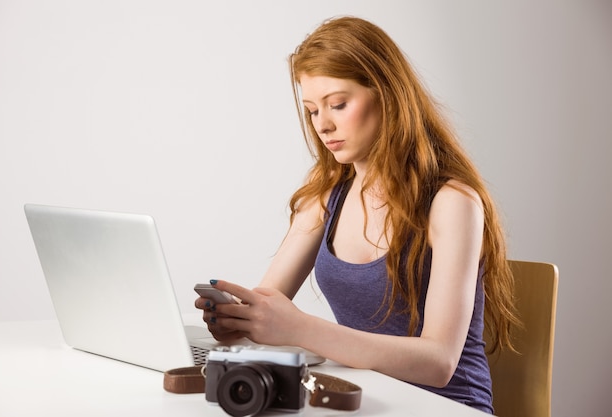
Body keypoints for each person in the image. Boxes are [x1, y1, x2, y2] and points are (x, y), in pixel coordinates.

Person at [194, 16, 519, 413]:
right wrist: (240, 323)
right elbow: (268, 303)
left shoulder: (452, 202)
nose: (323, 125)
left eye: (338, 104)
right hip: (367, 401)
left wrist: (299, 328)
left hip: (445, 406)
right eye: (312, 111)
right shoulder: (326, 195)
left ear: (387, 94)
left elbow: (439, 362)